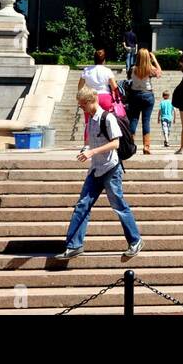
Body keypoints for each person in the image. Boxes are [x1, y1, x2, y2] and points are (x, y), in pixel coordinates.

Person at [56, 88, 142, 261]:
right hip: (96, 169)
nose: (81, 109)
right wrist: (86, 150)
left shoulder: (108, 118)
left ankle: (135, 240)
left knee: (119, 205)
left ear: (90, 102)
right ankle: (74, 245)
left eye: (82, 105)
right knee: (82, 205)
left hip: (111, 168)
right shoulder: (91, 121)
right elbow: (91, 142)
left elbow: (115, 143)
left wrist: (92, 151)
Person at [77, 49, 123, 142]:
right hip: (105, 97)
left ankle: (87, 144)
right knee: (106, 119)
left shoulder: (87, 70)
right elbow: (114, 86)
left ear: (94, 59)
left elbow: (80, 87)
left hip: (90, 97)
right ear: (104, 60)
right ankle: (106, 141)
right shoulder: (107, 71)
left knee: (88, 122)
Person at [126, 46, 162, 154]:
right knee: (146, 121)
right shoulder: (150, 69)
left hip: (135, 95)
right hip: (147, 95)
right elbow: (159, 73)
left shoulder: (133, 68)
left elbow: (128, 78)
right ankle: (146, 147)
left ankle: (130, 145)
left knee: (133, 120)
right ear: (148, 57)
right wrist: (154, 59)